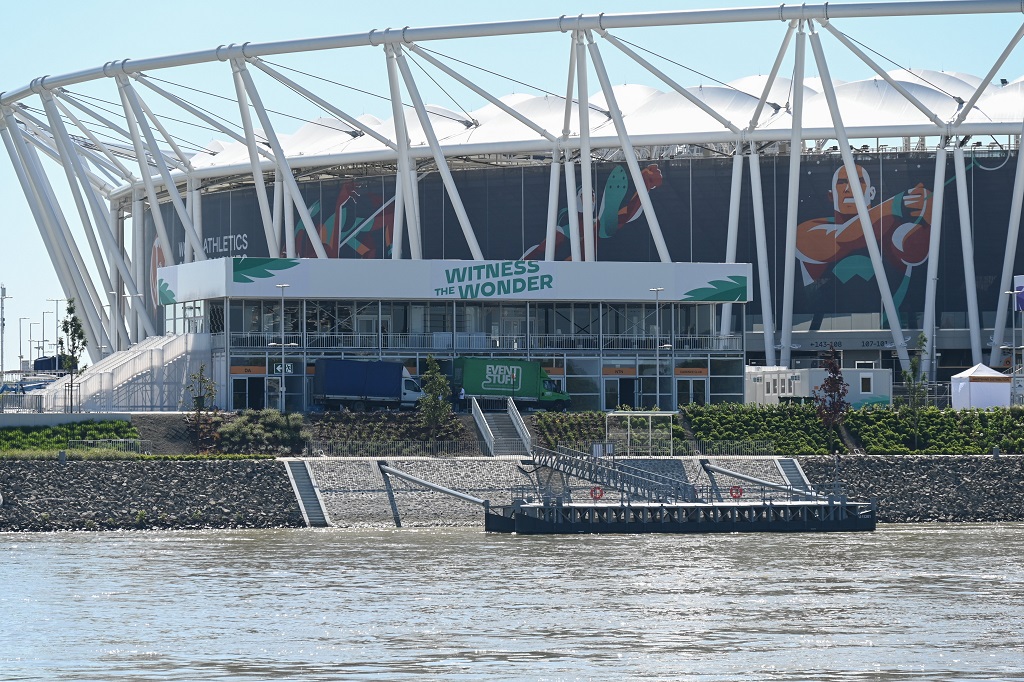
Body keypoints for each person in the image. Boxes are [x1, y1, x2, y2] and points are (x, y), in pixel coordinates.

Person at [796, 163, 933, 314]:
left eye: (859, 181)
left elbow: (913, 254)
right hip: (820, 326)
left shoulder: (891, 228)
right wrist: (892, 205)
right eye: (842, 182)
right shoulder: (809, 230)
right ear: (831, 195)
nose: (850, 188)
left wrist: (925, 220)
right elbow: (842, 239)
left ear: (872, 192)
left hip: (891, 325)